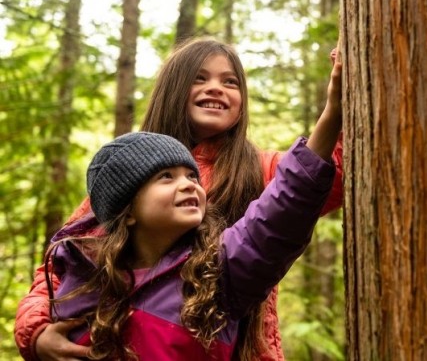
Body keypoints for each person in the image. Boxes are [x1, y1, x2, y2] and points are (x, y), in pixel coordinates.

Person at [15, 38, 344, 361]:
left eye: (230, 82)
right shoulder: (126, 175)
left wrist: (344, 95)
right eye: (199, 78)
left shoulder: (262, 169)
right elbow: (66, 264)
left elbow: (310, 183)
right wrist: (37, 332)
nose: (216, 88)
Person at [45, 117, 339, 359]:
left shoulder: (220, 272)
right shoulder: (83, 278)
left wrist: (332, 113)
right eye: (166, 177)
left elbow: (284, 205)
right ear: (128, 210)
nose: (188, 185)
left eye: (191, 175)